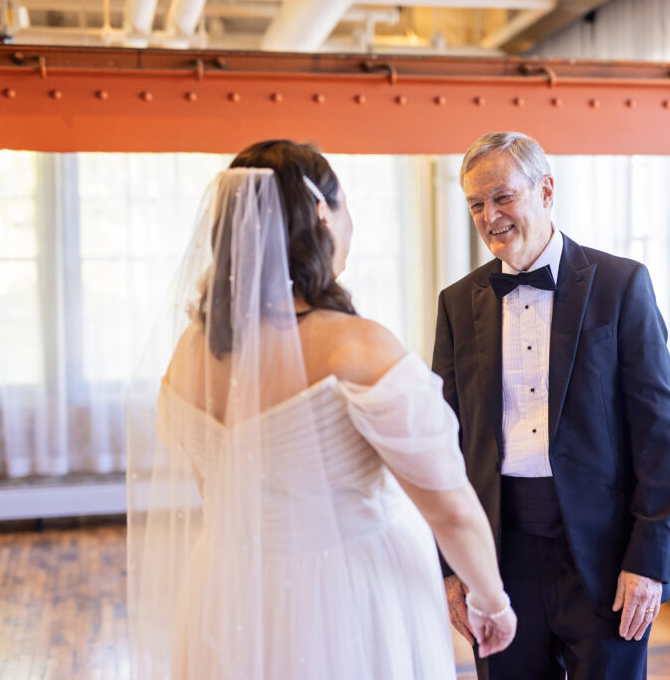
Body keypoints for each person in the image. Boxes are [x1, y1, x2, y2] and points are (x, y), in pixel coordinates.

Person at [126, 139, 515, 680]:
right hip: (347, 592)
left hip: (228, 588)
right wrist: (492, 601)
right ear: (321, 213)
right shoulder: (358, 348)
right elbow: (448, 506)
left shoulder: (189, 352)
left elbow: (214, 488)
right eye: (346, 204)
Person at [432, 131, 670, 680]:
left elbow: (659, 434)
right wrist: (451, 568)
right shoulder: (456, 303)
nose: (490, 216)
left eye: (503, 197)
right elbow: (443, 445)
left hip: (604, 557)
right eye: (476, 204)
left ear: (546, 190)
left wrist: (648, 561)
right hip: (498, 558)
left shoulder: (622, 285)